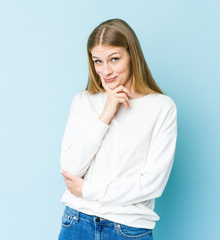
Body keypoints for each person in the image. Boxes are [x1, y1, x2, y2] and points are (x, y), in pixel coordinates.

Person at [58, 18, 177, 240]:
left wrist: (90, 191)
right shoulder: (84, 101)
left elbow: (152, 184)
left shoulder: (161, 107)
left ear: (132, 55)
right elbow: (70, 169)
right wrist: (105, 115)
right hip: (76, 222)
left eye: (114, 59)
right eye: (98, 61)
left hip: (128, 229)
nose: (106, 71)